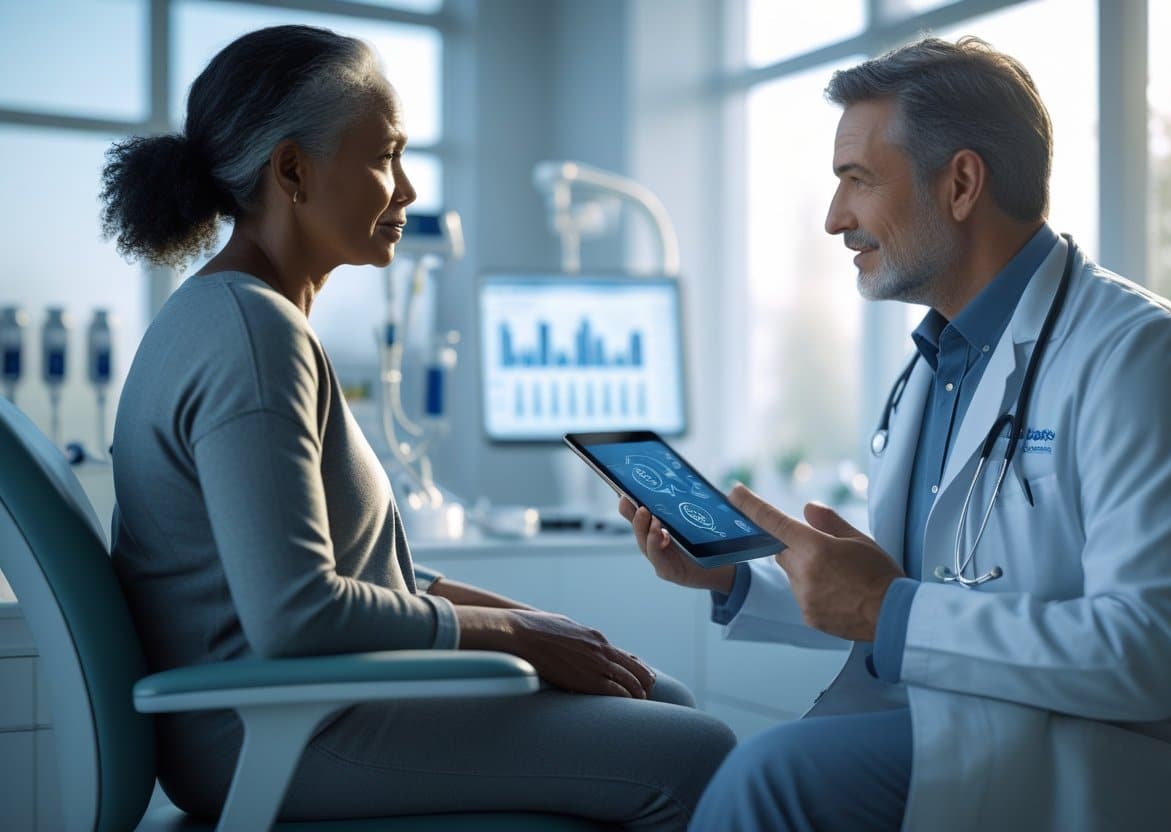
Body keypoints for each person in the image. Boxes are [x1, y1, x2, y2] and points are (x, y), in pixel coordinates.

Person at [100, 24, 734, 828]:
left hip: (302, 708)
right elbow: (297, 616)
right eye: (384, 157)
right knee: (696, 753)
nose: (405, 191)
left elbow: (363, 573)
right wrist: (522, 636)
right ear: (291, 171)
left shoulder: (230, 316)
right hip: (282, 730)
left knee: (653, 690)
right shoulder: (251, 335)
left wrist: (552, 631)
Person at [622, 36, 1171, 831]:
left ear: (961, 183)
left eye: (857, 181)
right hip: (955, 718)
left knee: (766, 779)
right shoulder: (938, 362)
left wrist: (887, 610)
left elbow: (1147, 654)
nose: (835, 219)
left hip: (1093, 752)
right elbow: (917, 590)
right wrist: (735, 579)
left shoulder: (1142, 357)